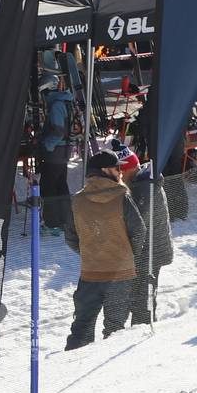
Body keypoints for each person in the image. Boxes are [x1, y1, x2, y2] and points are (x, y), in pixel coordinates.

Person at [62, 150, 143, 349]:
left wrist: (91, 252)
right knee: (115, 330)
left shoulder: (78, 200)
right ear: (105, 170)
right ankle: (108, 375)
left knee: (82, 326)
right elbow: (139, 231)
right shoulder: (122, 196)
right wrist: (127, 255)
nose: (121, 171)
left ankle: (69, 368)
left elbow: (71, 236)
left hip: (90, 273)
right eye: (117, 168)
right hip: (121, 273)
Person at [107, 158, 173, 328]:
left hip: (150, 253)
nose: (119, 176)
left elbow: (135, 225)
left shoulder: (145, 188)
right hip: (144, 251)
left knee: (144, 299)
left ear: (129, 170)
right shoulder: (142, 182)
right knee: (139, 295)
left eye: (121, 172)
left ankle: (142, 329)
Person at [37, 69, 76, 232]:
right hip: (64, 151)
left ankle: (52, 223)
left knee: (49, 187)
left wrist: (47, 144)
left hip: (56, 152)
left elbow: (58, 131)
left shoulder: (56, 106)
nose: (43, 98)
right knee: (60, 185)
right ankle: (64, 220)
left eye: (43, 93)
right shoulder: (66, 101)